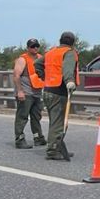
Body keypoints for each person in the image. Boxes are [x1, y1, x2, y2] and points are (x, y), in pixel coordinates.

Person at [42, 31, 80, 160]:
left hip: (48, 90)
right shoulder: (69, 53)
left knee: (55, 122)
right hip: (59, 91)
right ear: (73, 42)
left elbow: (37, 64)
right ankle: (53, 150)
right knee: (59, 123)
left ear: (60, 40)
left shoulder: (51, 52)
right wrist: (70, 81)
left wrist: (45, 77)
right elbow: (67, 69)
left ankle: (57, 146)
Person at [11, 38, 46, 148]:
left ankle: (38, 138)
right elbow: (16, 76)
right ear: (28, 48)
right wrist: (20, 91)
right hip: (26, 92)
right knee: (22, 116)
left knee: (36, 116)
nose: (35, 48)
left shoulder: (41, 58)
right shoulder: (22, 59)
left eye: (37, 46)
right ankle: (20, 140)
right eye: (32, 46)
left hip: (37, 92)